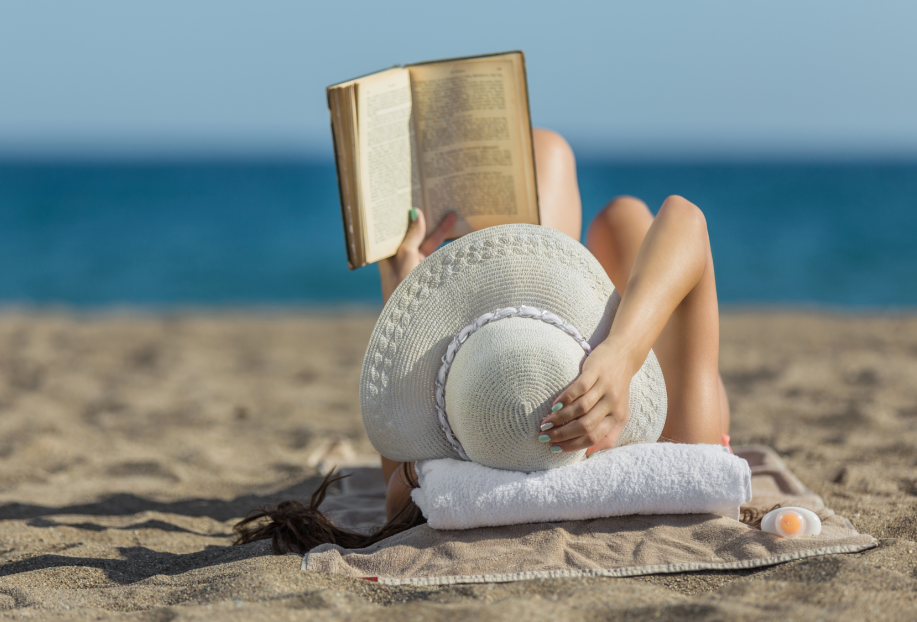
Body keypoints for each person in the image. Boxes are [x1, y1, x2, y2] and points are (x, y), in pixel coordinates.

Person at [235, 129, 735, 553]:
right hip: (583, 365)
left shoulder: (432, 466)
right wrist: (622, 353)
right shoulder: (681, 441)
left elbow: (401, 485)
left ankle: (454, 271)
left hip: (508, 366)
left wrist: (405, 278)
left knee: (549, 157)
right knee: (623, 217)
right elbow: (685, 217)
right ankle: (586, 297)